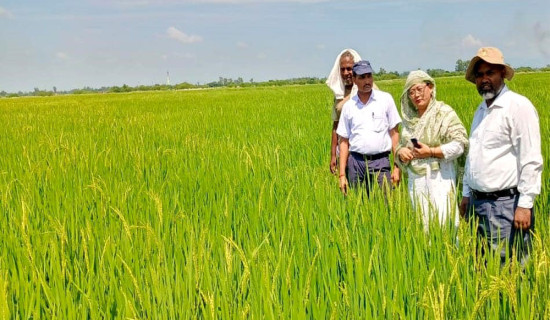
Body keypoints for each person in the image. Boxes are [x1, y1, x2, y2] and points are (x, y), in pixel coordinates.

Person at [459, 47, 543, 264]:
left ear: (502, 74)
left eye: (490, 73)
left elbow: (531, 159)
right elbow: (473, 157)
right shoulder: (480, 111)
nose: (484, 79)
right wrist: (467, 193)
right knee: (481, 263)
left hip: (505, 205)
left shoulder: (518, 107)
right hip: (478, 204)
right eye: (479, 75)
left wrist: (525, 204)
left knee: (509, 267)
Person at [395, 70, 468, 231]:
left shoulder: (444, 113)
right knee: (422, 228)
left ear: (430, 87)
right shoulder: (409, 122)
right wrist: (401, 153)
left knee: (445, 224)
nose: (416, 95)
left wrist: (432, 152)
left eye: (419, 89)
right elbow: (400, 146)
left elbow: (460, 144)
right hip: (416, 181)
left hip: (440, 177)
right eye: (411, 92)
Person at [336, 60, 401, 195]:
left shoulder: (385, 100)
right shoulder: (349, 106)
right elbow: (343, 141)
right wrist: (342, 175)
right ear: (354, 79)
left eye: (369, 76)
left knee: (385, 204)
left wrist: (397, 167)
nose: (367, 81)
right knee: (357, 206)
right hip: (356, 163)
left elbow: (394, 134)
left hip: (381, 162)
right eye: (362, 77)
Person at [326, 49, 378, 174]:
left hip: (366, 152)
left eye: (349, 69)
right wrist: (333, 155)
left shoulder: (371, 90)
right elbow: (336, 125)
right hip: (344, 152)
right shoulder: (339, 93)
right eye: (342, 69)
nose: (346, 73)